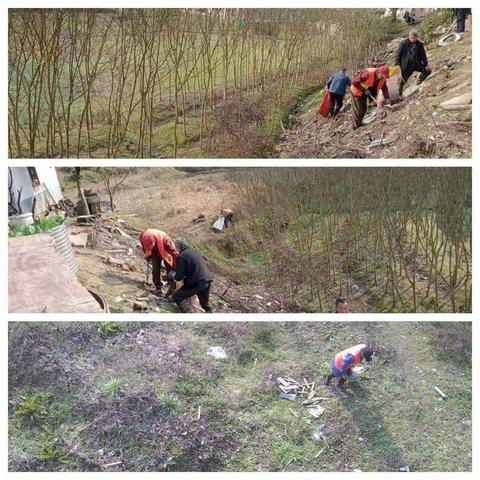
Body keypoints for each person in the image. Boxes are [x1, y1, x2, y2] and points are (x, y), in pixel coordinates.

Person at [172, 237, 214, 313]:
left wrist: (172, 275)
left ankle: (189, 313)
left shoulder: (181, 256)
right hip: (207, 280)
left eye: (176, 247)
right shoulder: (194, 251)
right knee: (205, 304)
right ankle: (210, 314)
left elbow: (178, 277)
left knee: (176, 296)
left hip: (197, 282)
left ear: (178, 247)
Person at [350, 65, 391, 130]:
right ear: (378, 72)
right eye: (382, 76)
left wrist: (387, 98)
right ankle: (355, 126)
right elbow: (354, 81)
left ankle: (359, 123)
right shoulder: (367, 73)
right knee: (358, 108)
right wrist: (364, 90)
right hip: (357, 90)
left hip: (367, 92)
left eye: (384, 77)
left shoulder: (382, 78)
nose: (383, 78)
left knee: (363, 108)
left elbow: (384, 88)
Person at [139, 229, 177, 295]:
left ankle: (172, 289)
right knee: (155, 271)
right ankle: (158, 288)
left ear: (154, 242)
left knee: (170, 271)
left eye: (151, 247)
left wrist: (174, 268)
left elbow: (174, 253)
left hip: (166, 252)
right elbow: (144, 248)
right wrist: (147, 255)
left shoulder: (166, 240)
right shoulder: (143, 237)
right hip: (155, 253)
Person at [395, 29, 430, 99]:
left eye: (414, 38)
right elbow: (398, 54)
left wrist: (426, 64)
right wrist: (396, 65)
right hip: (406, 65)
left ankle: (419, 80)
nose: (413, 39)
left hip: (417, 63)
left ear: (417, 37)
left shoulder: (419, 44)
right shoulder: (403, 43)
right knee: (403, 80)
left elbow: (423, 55)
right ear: (409, 36)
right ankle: (399, 94)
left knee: (427, 71)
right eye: (411, 38)